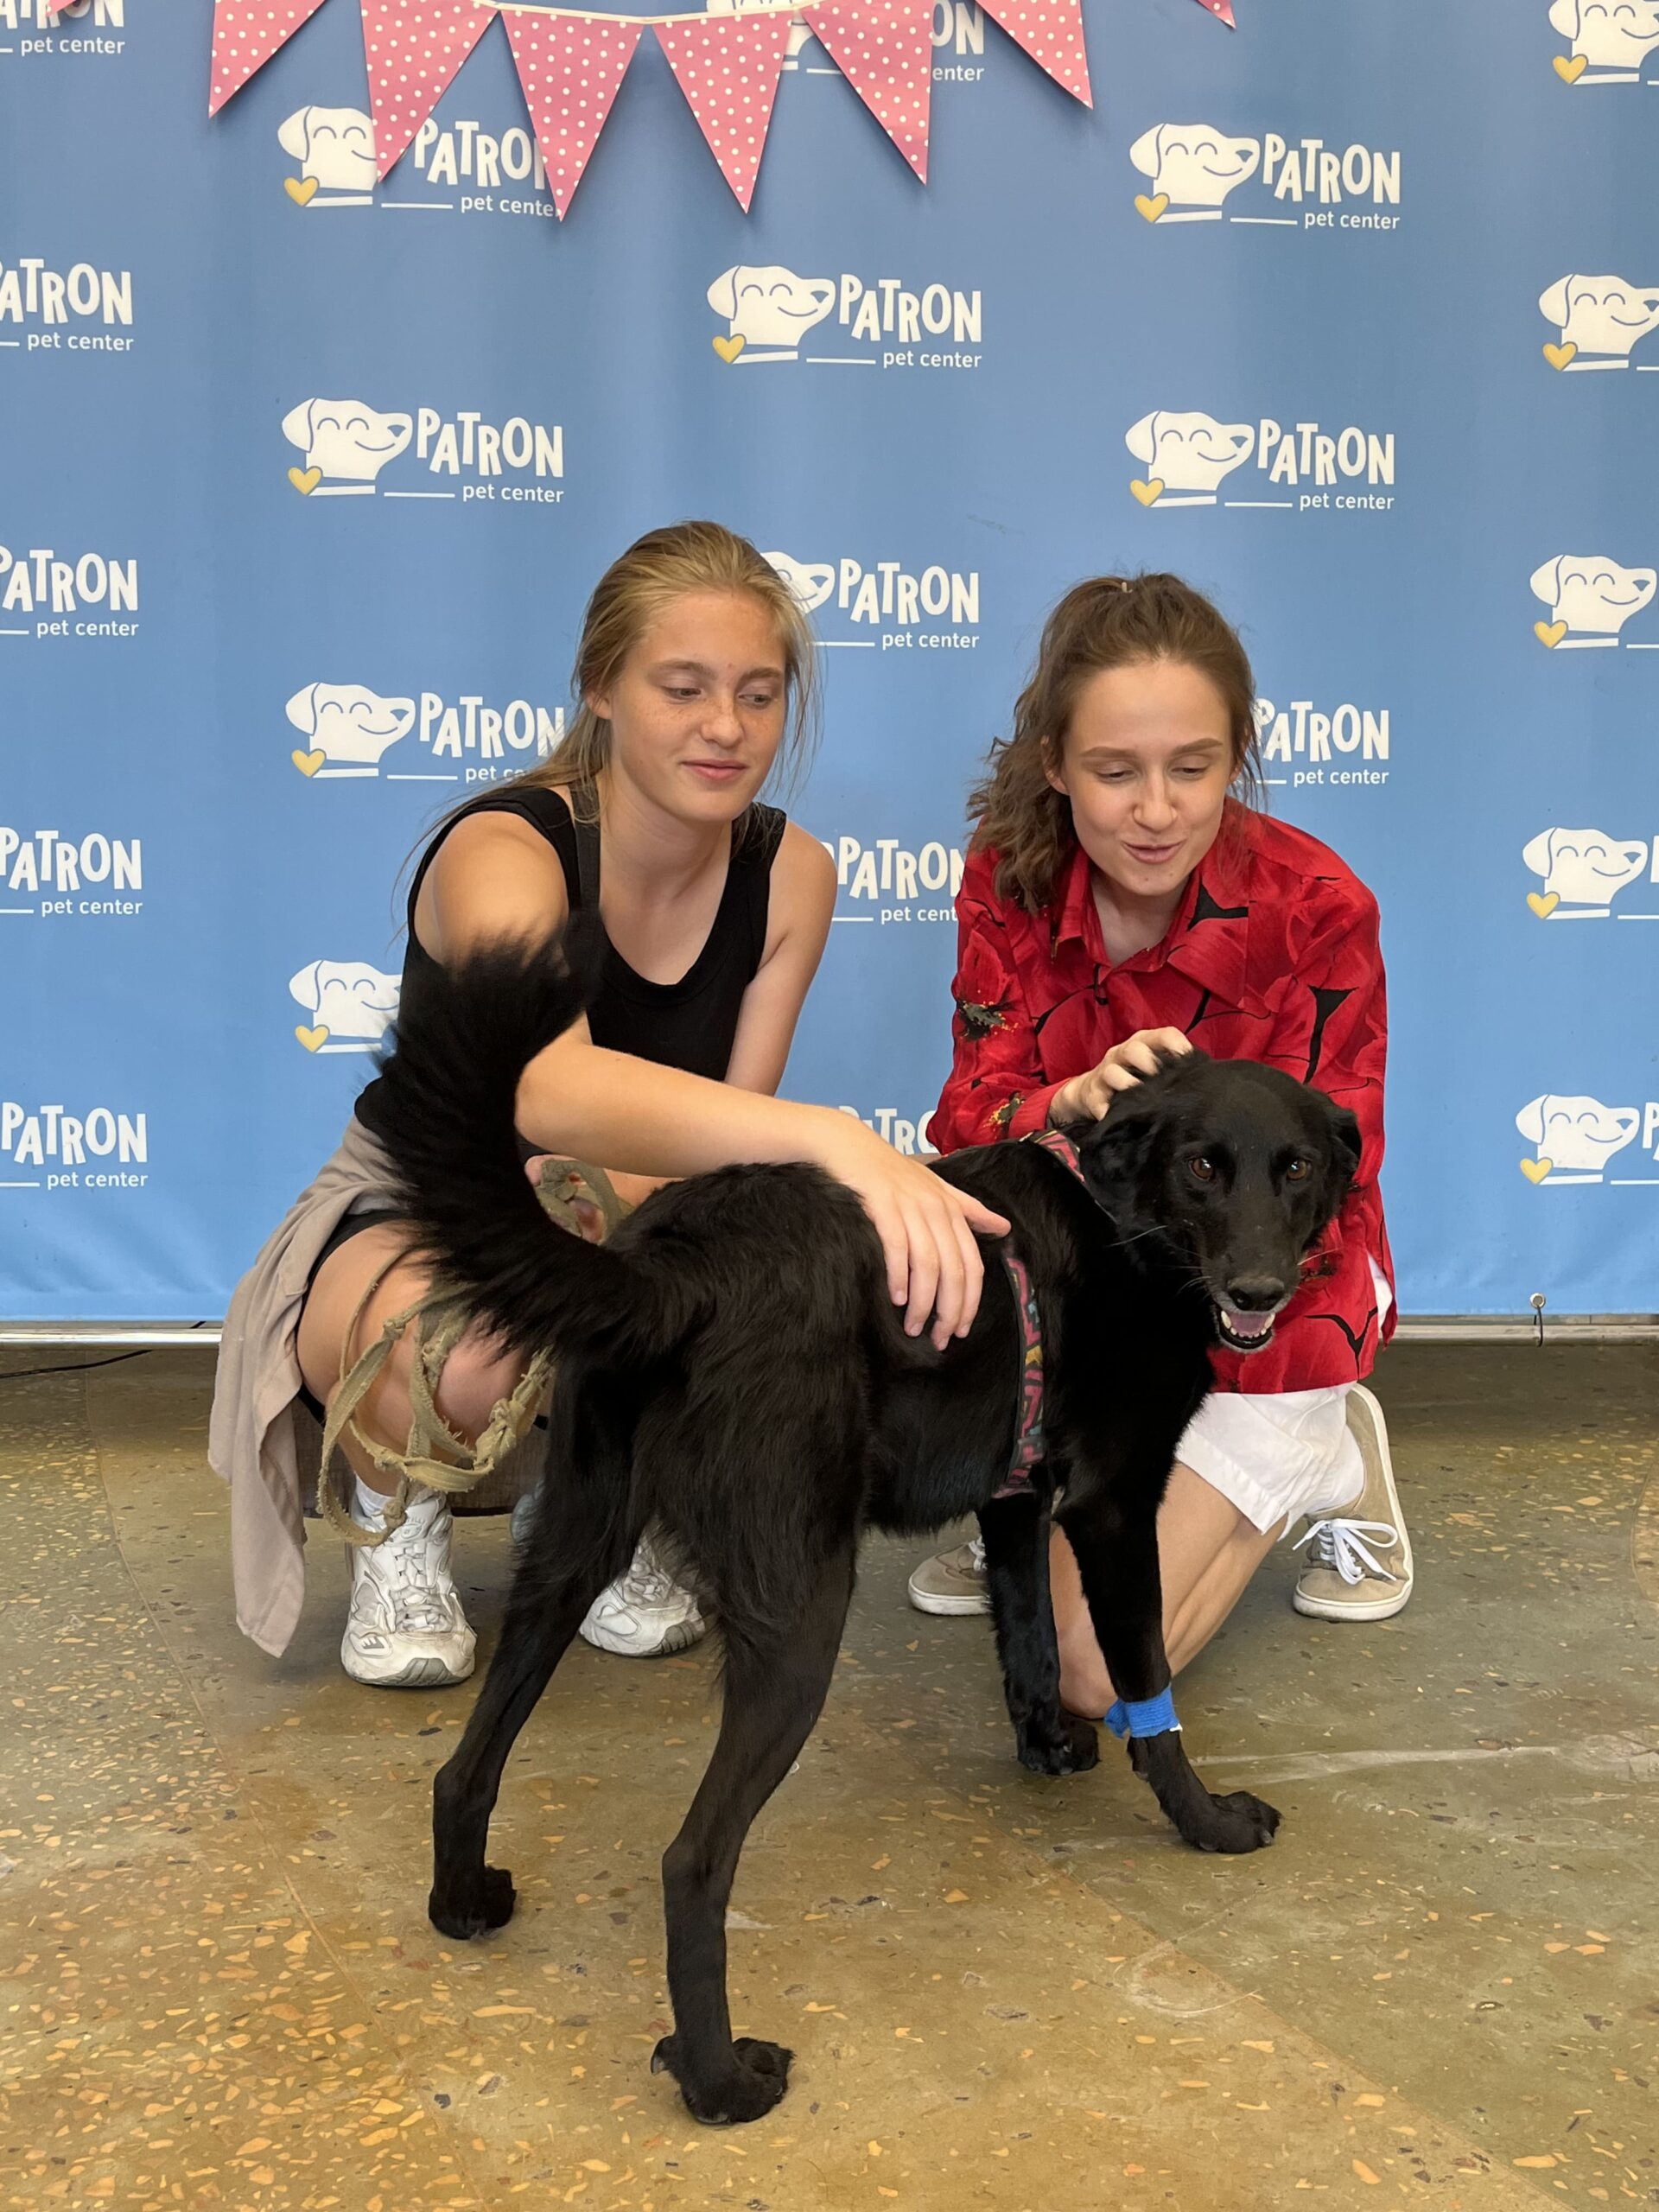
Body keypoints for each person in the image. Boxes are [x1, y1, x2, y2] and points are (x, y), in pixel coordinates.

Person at [210, 521, 1005, 1688]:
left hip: (629, 1200)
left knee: (755, 1272)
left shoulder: (793, 874)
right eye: (681, 688)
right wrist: (839, 1142)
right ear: (601, 690)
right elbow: (550, 1089)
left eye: (758, 693)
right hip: (430, 1203)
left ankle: (599, 1504)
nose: (725, 727)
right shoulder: (504, 846)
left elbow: (716, 1139)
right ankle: (395, 1504)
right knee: (472, 1354)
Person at [906, 572, 1410, 1719]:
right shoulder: (1006, 879)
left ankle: (1326, 1448)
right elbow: (967, 1119)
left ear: (1238, 754)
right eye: (1115, 771)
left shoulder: (1319, 907)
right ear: (1054, 765)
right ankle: (1066, 1470)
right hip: (1096, 1293)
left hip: (1269, 1291)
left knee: (1087, 1676)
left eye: (1192, 767)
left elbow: (1339, 1161)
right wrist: (1063, 1103)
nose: (1157, 809)